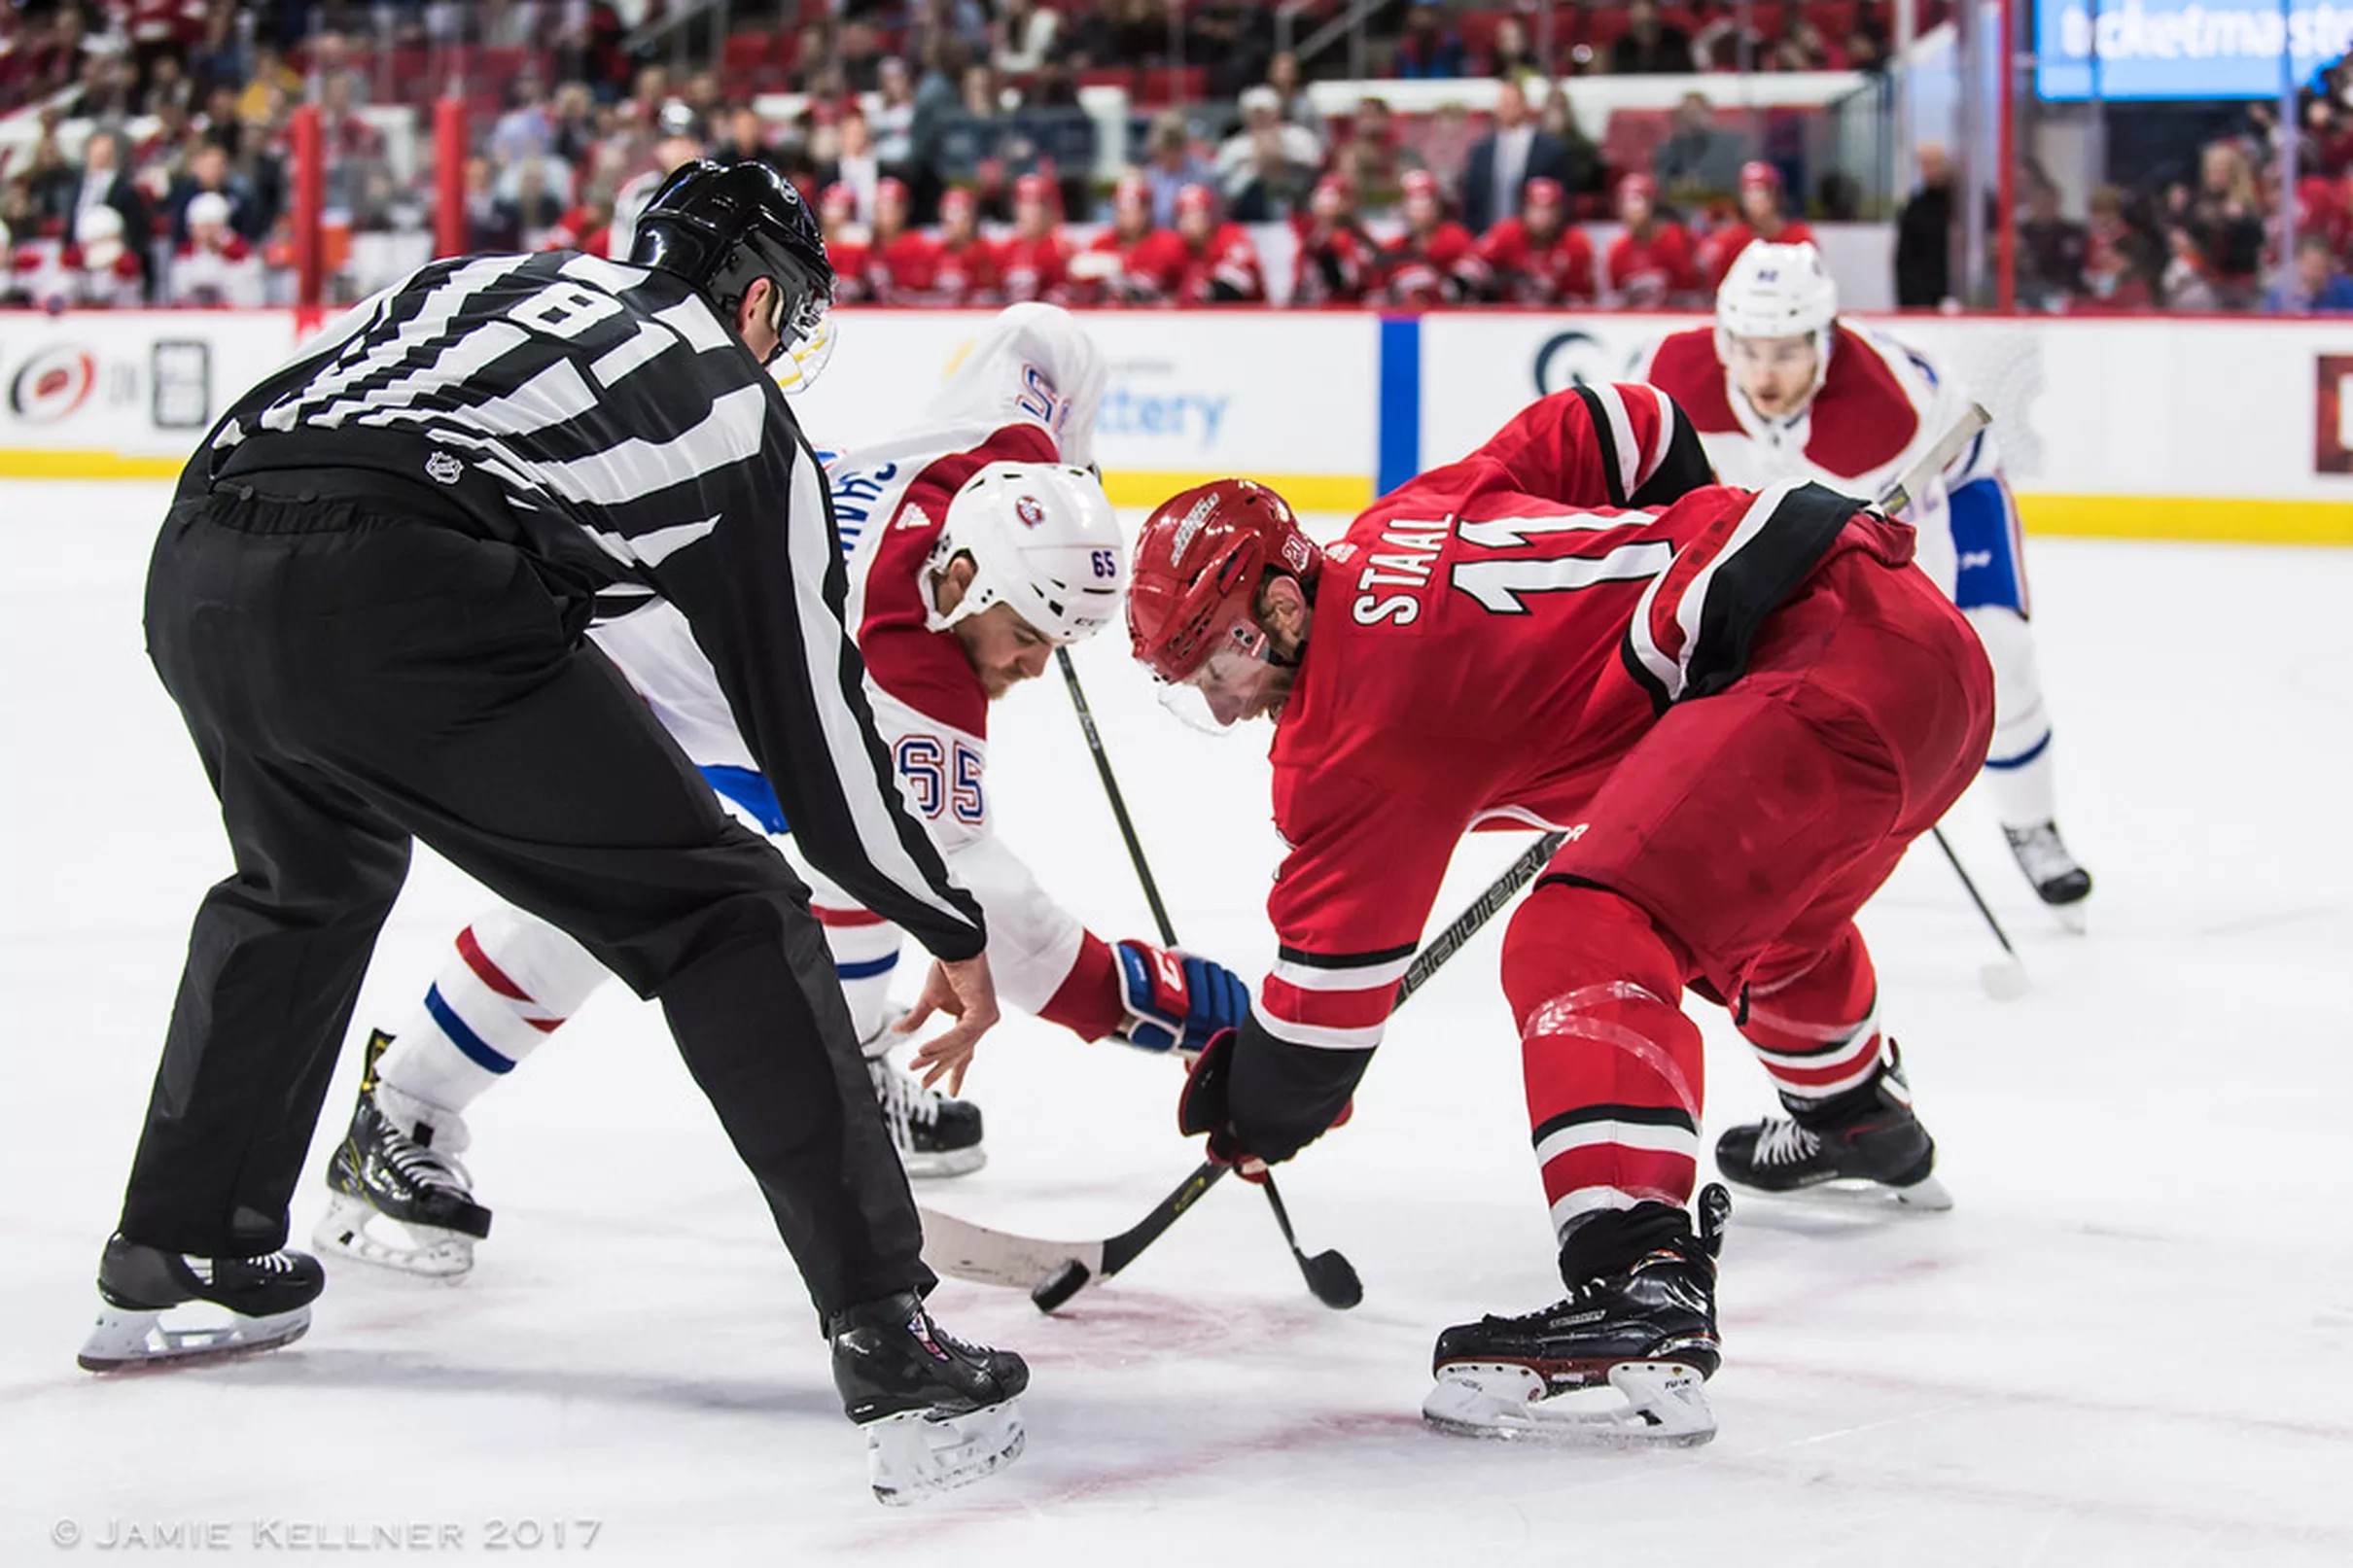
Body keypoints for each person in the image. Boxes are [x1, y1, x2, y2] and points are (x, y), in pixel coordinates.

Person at [81, 159, 1028, 1506]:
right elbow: (816, 753)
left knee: (308, 874)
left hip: (201, 555)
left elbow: (319, 405)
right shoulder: (731, 408)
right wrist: (947, 919)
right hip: (399, 581)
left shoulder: (489, 276)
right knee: (732, 909)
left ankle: (180, 1248)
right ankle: (890, 1330)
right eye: (789, 313)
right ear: (756, 297)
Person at [1125, 385, 1990, 1443]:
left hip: (1819, 675)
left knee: (1585, 929)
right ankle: (1853, 1111)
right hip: (1920, 653)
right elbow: (1620, 423)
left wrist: (1254, 1106)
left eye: (1218, 659)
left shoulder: (1346, 742)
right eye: (1189, 682)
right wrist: (1700, 581)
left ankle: (1639, 1273)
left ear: (1281, 604)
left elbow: (1319, 1026)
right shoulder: (1405, 515)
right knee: (1743, 902)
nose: (1218, 700)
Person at [319, 301, 1249, 1272]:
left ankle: (857, 1062)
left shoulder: (986, 451)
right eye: (1022, 636)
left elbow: (1044, 336)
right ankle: (398, 1115)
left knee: (851, 856)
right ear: (963, 579)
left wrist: (1071, 473)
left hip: (723, 644)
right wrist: (1178, 1006)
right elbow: (994, 916)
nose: (1026, 667)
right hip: (629, 665)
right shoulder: (906, 680)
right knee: (611, 897)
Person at [1633, 241, 2093, 916]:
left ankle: (2032, 824)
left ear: (1824, 339)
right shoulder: (1665, 373)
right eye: (1749, 347)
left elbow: (1874, 563)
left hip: (1945, 499)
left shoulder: (1885, 412)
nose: (1765, 371)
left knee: (2000, 651)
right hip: (1800, 516)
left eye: (1787, 350)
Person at [1459, 77, 1573, 236]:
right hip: (1487, 235)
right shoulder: (1480, 151)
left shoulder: (1550, 150)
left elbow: (1563, 199)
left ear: (1524, 105)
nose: (1507, 108)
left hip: (1534, 241)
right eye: (1503, 102)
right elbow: (1472, 202)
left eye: (1512, 102)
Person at [1697, 160, 1815, 291]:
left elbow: (1812, 282)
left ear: (1776, 195)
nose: (1755, 199)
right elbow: (1718, 288)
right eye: (1749, 192)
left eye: (1761, 191)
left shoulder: (1800, 238)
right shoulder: (1731, 240)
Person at [1477, 176, 1595, 304]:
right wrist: (1503, 278)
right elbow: (1472, 267)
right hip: (1508, 316)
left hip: (1554, 319)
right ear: (1524, 209)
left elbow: (1584, 300)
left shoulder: (1576, 243)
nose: (1542, 216)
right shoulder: (1506, 233)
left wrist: (1556, 297)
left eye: (1549, 209)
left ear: (1560, 212)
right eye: (1535, 208)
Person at [1380, 168, 1486, 306]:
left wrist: (1439, 291)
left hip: (1450, 319)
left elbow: (1475, 279)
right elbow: (1377, 295)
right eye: (1415, 203)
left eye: (1426, 203)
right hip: (1408, 321)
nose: (1421, 211)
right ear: (1404, 206)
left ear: (1437, 206)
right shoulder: (1395, 246)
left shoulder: (1455, 238)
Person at [1604, 173, 1700, 306]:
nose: (1631, 209)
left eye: (1637, 201)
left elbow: (1691, 291)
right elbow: (1618, 298)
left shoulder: (1678, 238)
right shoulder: (1618, 251)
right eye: (1624, 202)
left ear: (1652, 204)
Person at [1289, 172, 1380, 305]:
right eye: (1322, 194)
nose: (1325, 201)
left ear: (1347, 202)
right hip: (1308, 305)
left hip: (1347, 307)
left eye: (1332, 195)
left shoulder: (1357, 237)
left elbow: (1355, 279)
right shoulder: (1306, 231)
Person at [996, 173, 1072, 303]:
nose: (1032, 211)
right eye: (1025, 203)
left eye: (1037, 204)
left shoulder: (1061, 250)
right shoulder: (1005, 250)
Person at [1894, 143, 1953, 308]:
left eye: (1935, 163)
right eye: (1925, 165)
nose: (1930, 170)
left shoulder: (1963, 205)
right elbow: (1905, 261)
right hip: (1926, 301)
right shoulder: (1915, 208)